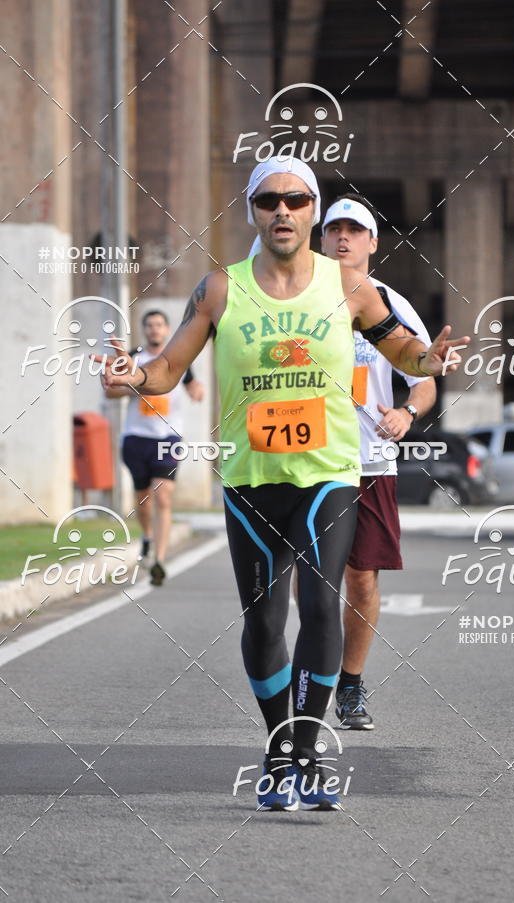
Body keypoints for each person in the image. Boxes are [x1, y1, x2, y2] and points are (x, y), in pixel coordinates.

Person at [96, 157, 468, 811]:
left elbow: (402, 351)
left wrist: (428, 360)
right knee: (265, 623)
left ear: (313, 210)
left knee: (323, 607)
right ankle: (277, 751)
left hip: (329, 473)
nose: (283, 210)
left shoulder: (349, 287)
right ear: (252, 212)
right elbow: (168, 369)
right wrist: (134, 375)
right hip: (250, 478)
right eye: (268, 200)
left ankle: (305, 751)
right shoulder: (220, 289)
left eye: (296, 199)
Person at [321, 194, 436, 730]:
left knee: (361, 578)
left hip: (370, 462)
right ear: (320, 239)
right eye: (333, 229)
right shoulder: (297, 298)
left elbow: (424, 379)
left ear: (373, 243)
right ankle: (310, 679)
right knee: (312, 578)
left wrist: (408, 413)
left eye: (354, 230)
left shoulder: (390, 302)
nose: (342, 238)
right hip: (311, 460)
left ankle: (350, 684)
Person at [104, 309, 204, 586]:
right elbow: (109, 390)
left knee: (163, 496)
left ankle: (159, 559)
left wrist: (197, 390)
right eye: (149, 325)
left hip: (168, 439)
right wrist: (136, 386)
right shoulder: (133, 357)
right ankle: (147, 537)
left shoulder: (176, 358)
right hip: (137, 438)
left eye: (159, 325)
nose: (154, 330)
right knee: (143, 499)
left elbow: (194, 385)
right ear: (144, 329)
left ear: (167, 328)